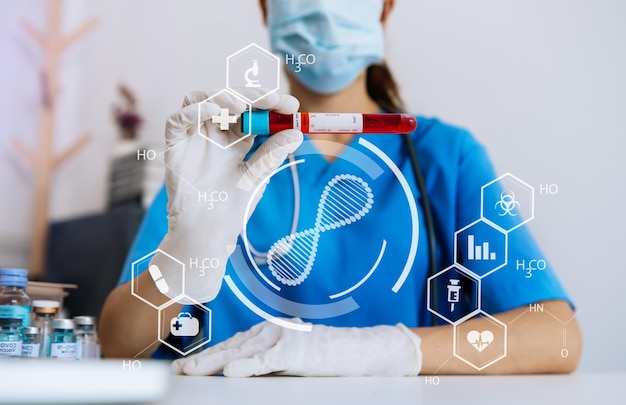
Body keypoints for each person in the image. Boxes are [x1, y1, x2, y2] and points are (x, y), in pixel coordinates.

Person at [100, 0, 581, 376]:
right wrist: (176, 268)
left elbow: (556, 335)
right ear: (268, 9)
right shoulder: (218, 154)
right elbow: (119, 347)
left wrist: (385, 350)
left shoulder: (444, 156)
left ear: (384, 9)